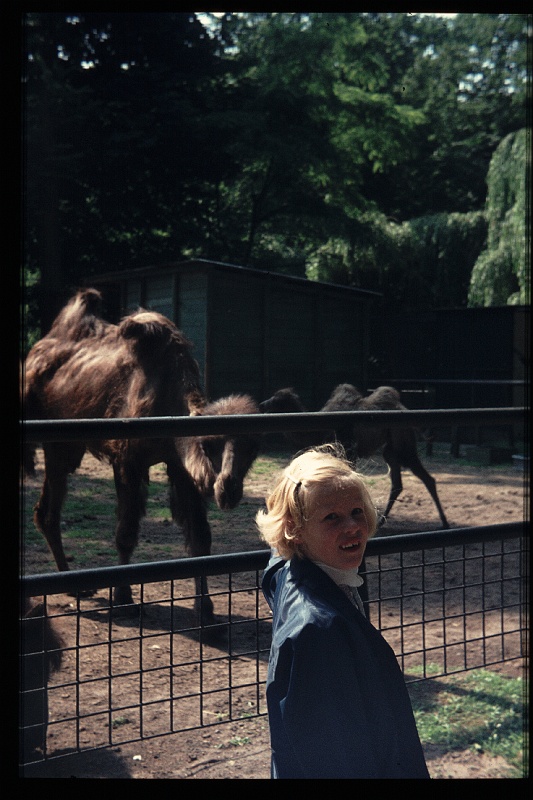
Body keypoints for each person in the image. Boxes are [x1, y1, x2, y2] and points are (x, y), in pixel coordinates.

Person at [256, 444, 430, 779]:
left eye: (356, 511)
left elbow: (276, 557)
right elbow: (334, 757)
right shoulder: (320, 630)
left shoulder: (290, 571)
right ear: (293, 528)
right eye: (331, 517)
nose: (352, 527)